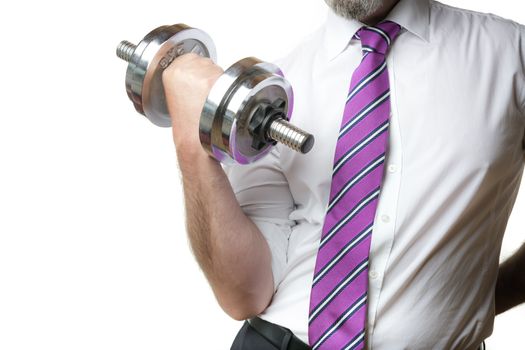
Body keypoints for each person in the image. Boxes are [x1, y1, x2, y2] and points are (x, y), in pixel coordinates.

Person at [162, 0, 525, 348]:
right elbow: (245, 295)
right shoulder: (274, 91)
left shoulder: (512, 54)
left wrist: (478, 303)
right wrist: (192, 144)